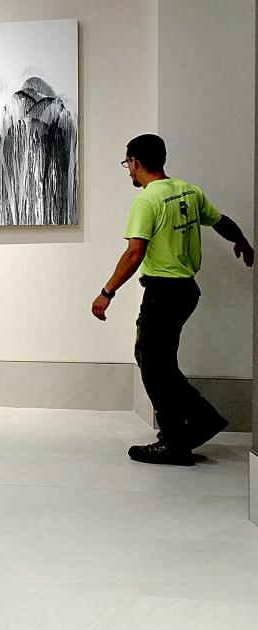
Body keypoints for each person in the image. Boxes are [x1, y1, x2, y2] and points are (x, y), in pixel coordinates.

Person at [92, 134, 253, 465]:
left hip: (163, 292)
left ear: (136, 162)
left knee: (152, 364)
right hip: (186, 291)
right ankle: (197, 423)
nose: (128, 172)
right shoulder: (188, 191)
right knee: (160, 362)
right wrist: (243, 242)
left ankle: (178, 440)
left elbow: (135, 251)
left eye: (127, 164)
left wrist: (107, 292)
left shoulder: (147, 201)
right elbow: (220, 222)